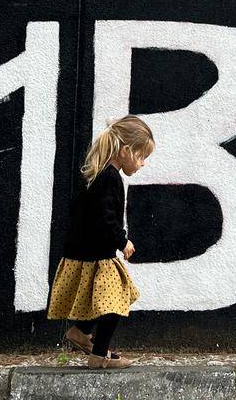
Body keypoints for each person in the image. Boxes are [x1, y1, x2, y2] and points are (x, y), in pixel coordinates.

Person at [47, 116, 155, 368]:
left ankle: (82, 334)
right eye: (141, 156)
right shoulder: (110, 178)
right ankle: (98, 354)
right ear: (125, 151)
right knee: (116, 301)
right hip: (97, 254)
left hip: (84, 252)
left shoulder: (98, 174)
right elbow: (104, 218)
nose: (142, 164)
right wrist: (123, 241)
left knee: (104, 301)